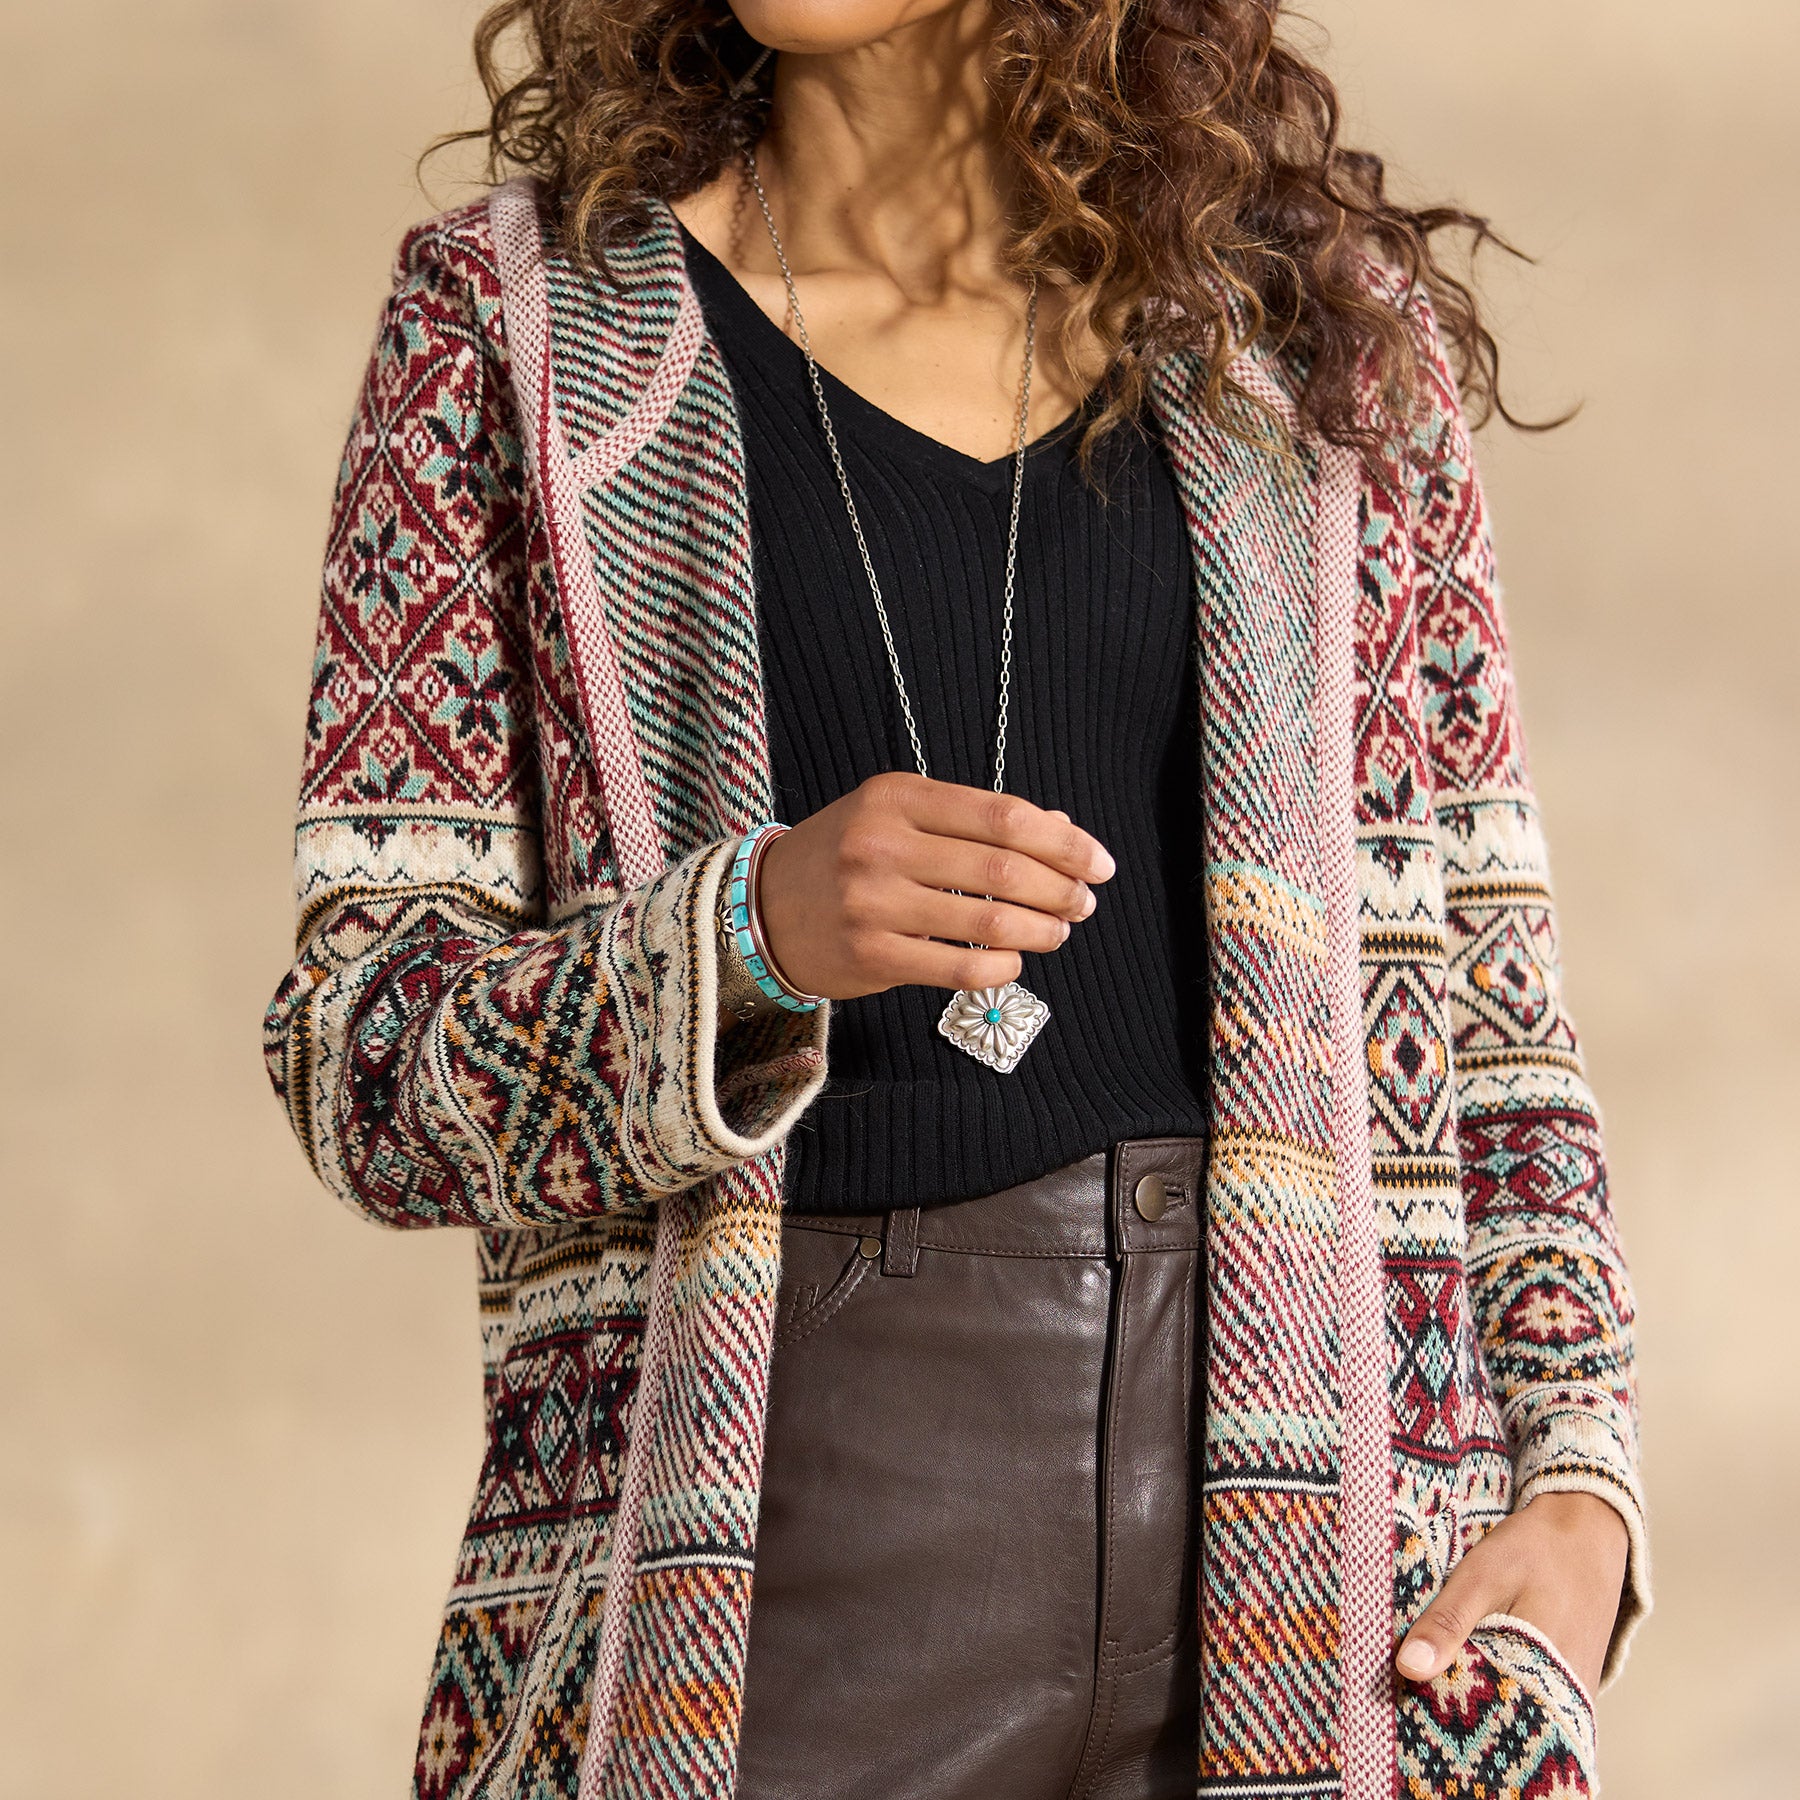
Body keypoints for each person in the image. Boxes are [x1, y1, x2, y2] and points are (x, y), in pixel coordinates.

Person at [262, 2, 1648, 1796]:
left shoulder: (1310, 335)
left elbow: (1487, 1009)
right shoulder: (516, 328)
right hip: (788, 1544)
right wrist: (745, 945)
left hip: (1333, 1564)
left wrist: (1580, 1482)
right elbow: (358, 1057)